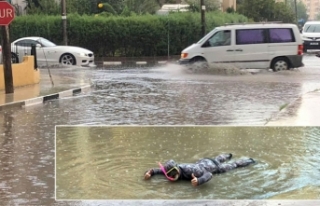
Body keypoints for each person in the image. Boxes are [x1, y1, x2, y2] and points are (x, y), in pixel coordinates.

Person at [144, 153, 255, 187]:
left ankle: (250, 160)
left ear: (177, 171)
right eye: (168, 174)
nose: (170, 176)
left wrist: (199, 181)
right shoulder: (170, 172)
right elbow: (157, 170)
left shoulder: (191, 171)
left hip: (212, 167)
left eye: (173, 174)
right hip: (203, 161)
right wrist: (149, 173)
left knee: (233, 165)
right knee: (218, 158)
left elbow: (209, 175)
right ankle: (228, 154)